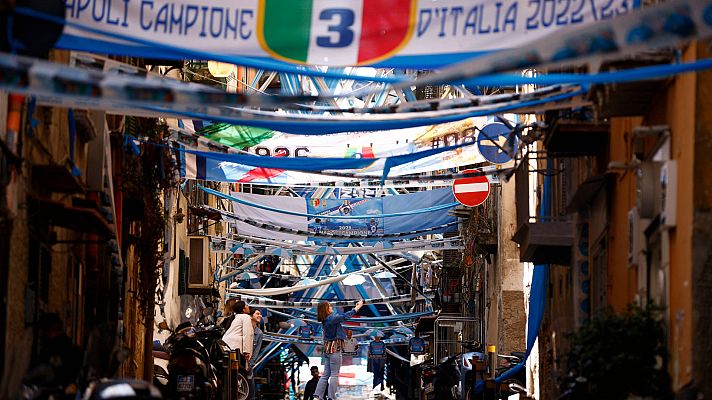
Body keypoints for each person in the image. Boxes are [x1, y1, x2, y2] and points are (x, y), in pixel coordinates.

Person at [314, 299, 364, 400]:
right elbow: (345, 317)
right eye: (330, 306)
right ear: (326, 309)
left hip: (328, 349)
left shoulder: (325, 321)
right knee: (334, 374)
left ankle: (317, 395)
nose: (332, 307)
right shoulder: (331, 319)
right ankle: (331, 397)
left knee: (325, 375)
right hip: (335, 348)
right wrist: (357, 307)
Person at [248, 308, 263, 400]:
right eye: (257, 313)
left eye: (260, 314)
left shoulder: (259, 333)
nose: (260, 316)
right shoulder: (243, 329)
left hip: (248, 364)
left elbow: (256, 351)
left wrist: (250, 365)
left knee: (251, 390)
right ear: (250, 316)